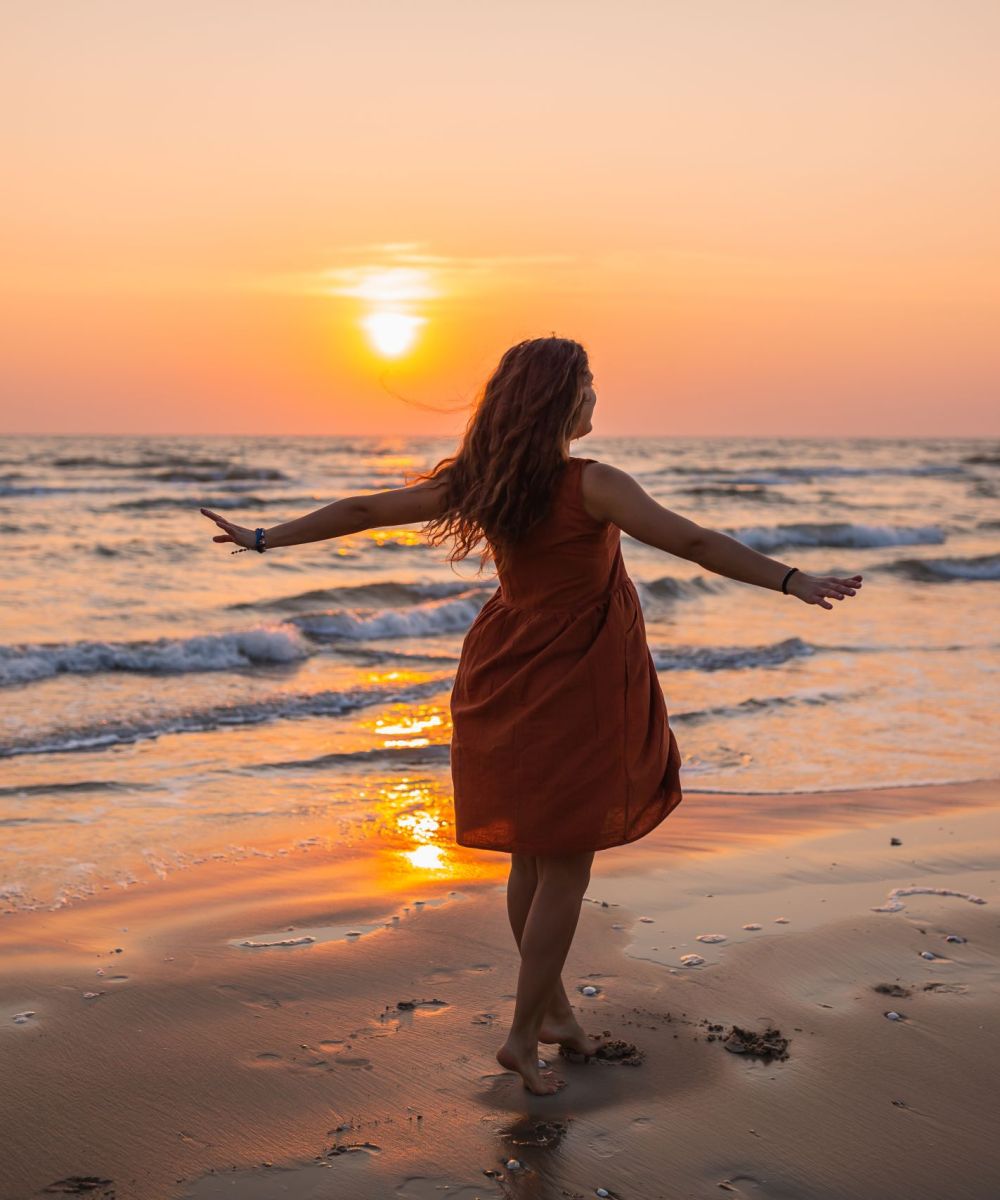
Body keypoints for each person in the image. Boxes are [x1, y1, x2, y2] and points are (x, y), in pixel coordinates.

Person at [201, 335, 863, 1095]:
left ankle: (553, 1016)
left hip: (501, 669)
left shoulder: (481, 484)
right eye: (588, 383)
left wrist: (263, 537)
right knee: (566, 865)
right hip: (574, 681)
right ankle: (521, 1036)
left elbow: (365, 509)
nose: (595, 396)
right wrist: (790, 579)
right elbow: (691, 540)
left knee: (531, 854)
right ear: (564, 399)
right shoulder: (593, 484)